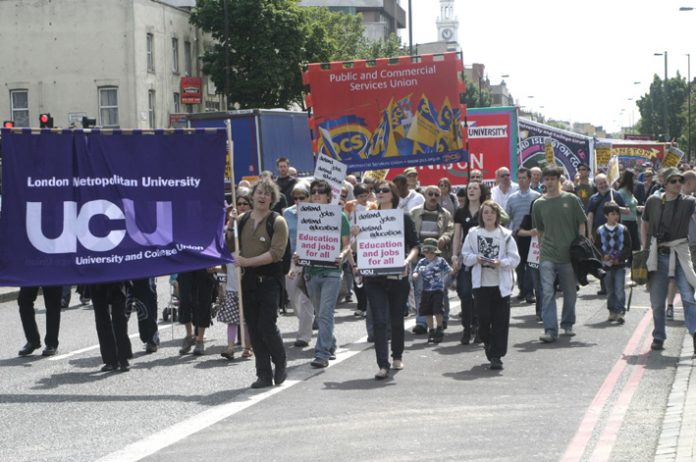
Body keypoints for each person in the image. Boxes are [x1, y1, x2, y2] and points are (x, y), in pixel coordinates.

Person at [353, 180, 419, 380]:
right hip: (374, 278)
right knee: (379, 321)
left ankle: (397, 355)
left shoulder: (404, 218)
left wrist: (407, 261)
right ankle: (383, 364)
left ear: (393, 194)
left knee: (396, 321)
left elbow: (415, 246)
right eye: (377, 190)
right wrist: (356, 235)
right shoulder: (368, 218)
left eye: (384, 190)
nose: (379, 193)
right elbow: (357, 249)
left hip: (397, 276)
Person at [233, 177, 289, 388]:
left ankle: (280, 361)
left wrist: (248, 261)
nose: (262, 196)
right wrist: (231, 225)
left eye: (267, 193)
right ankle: (263, 374)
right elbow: (230, 244)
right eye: (259, 192)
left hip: (270, 281)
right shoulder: (243, 220)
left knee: (267, 325)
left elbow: (275, 254)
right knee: (254, 330)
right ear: (253, 195)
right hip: (248, 281)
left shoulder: (277, 221)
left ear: (272, 198)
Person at [641, 167, 696, 354]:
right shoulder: (653, 201)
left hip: (680, 254)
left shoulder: (689, 202)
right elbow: (645, 223)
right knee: (657, 302)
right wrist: (644, 249)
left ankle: (695, 334)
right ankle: (658, 336)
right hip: (659, 255)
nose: (678, 184)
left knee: (689, 298)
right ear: (664, 183)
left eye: (680, 180)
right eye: (673, 181)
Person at [462, 200, 520, 370]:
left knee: (500, 321)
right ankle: (488, 343)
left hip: (501, 286)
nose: (489, 215)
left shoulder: (506, 235)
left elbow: (515, 259)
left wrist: (500, 263)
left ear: (497, 216)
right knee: (484, 320)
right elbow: (465, 255)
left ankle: (497, 356)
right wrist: (476, 259)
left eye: (492, 212)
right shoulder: (473, 233)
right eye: (485, 212)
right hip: (481, 285)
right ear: (481, 215)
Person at [533, 165, 587, 343]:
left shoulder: (571, 199)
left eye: (552, 179)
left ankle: (567, 322)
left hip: (569, 255)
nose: (549, 182)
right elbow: (539, 230)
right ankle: (550, 329)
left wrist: (581, 243)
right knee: (547, 292)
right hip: (548, 254)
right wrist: (541, 249)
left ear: (559, 180)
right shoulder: (539, 203)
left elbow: (582, 222)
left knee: (570, 292)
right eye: (546, 179)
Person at [301, 179, 351, 369]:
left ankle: (321, 353)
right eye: (313, 192)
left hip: (331, 271)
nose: (316, 195)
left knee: (325, 313)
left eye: (321, 192)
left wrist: (341, 254)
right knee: (321, 313)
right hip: (311, 272)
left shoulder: (340, 216)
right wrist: (298, 255)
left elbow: (347, 246)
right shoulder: (306, 215)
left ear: (329, 196)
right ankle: (331, 343)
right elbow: (303, 242)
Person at [410, 185, 454, 334]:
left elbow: (450, 230)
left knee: (440, 290)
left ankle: (444, 318)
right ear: (424, 194)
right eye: (430, 194)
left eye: (436, 194)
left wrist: (444, 238)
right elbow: (409, 232)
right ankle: (422, 322)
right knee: (420, 290)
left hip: (438, 258)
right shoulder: (414, 212)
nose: (433, 197)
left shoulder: (446, 214)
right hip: (420, 256)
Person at [452, 181, 490, 344]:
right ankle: (467, 328)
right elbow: (457, 235)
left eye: (475, 188)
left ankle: (481, 327)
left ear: (481, 192)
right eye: (469, 188)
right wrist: (454, 255)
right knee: (465, 293)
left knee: (480, 295)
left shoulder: (487, 210)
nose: (472, 191)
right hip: (467, 257)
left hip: (484, 257)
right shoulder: (460, 212)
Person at [283, 183, 315, 348]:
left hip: (311, 259)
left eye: (302, 197)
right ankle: (307, 321)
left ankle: (304, 335)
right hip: (292, 260)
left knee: (305, 299)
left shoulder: (317, 213)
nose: (298, 201)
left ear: (309, 197)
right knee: (292, 296)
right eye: (295, 198)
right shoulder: (287, 213)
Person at [505, 167, 540, 303]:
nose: (521, 181)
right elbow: (508, 218)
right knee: (519, 265)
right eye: (519, 178)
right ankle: (522, 289)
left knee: (531, 265)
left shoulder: (536, 197)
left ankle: (529, 292)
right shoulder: (512, 198)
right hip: (517, 237)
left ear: (529, 179)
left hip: (533, 236)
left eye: (524, 178)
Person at [593, 202, 632, 324]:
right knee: (610, 290)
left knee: (619, 288)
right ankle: (612, 311)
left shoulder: (623, 229)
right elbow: (596, 247)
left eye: (617, 214)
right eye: (612, 214)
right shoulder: (600, 230)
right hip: (606, 266)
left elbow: (628, 246)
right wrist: (603, 256)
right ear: (606, 215)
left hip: (619, 265)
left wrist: (619, 258)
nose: (616, 216)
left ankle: (620, 311)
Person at [412, 238, 453, 344]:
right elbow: (416, 271)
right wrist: (415, 275)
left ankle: (439, 328)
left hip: (437, 290)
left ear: (435, 252)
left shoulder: (441, 261)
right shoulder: (422, 262)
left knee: (438, 310)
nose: (429, 254)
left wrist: (452, 272)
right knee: (427, 312)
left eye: (431, 252)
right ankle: (431, 330)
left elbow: (449, 270)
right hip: (426, 290)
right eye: (426, 252)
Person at [91, 282, 132, 372]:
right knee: (101, 318)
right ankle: (110, 360)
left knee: (120, 317)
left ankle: (123, 358)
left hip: (117, 278)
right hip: (96, 278)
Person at [17, 286, 63, 356]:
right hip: (31, 274)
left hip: (53, 275)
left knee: (53, 303)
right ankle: (32, 341)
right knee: (24, 300)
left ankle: (51, 343)